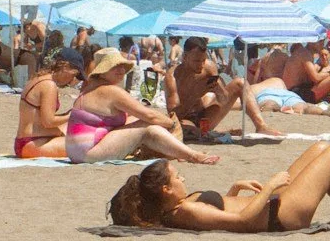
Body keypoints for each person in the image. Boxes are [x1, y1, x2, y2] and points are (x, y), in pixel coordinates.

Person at [105, 146, 330, 232]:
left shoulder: (181, 206)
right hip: (281, 215)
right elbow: (241, 220)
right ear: (166, 189)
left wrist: (233, 190)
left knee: (319, 149)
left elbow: (219, 216)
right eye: (177, 177)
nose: (183, 178)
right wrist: (270, 186)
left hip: (273, 204)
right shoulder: (186, 211)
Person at [64, 48, 217, 164]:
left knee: (143, 124)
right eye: (115, 67)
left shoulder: (90, 87)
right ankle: (192, 155)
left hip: (76, 151)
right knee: (147, 126)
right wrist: (172, 124)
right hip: (88, 153)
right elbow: (148, 115)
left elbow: (131, 116)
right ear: (102, 71)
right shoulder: (110, 91)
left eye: (122, 66)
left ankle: (180, 152)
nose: (121, 70)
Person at [170, 36, 281, 141]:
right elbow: (174, 115)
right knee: (188, 130)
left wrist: (219, 90)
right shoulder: (173, 77)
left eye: (203, 60)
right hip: (186, 120)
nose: (201, 65)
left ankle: (261, 125)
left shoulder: (209, 67)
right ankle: (211, 133)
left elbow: (224, 100)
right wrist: (196, 95)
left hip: (206, 116)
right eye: (196, 61)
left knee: (240, 83)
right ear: (185, 57)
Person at [14, 50, 84, 157]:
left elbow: (41, 117)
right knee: (85, 146)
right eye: (74, 75)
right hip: (32, 143)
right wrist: (71, 115)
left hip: (25, 141)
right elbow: (48, 122)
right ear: (65, 67)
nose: (72, 80)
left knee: (70, 127)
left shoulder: (39, 78)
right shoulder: (49, 85)